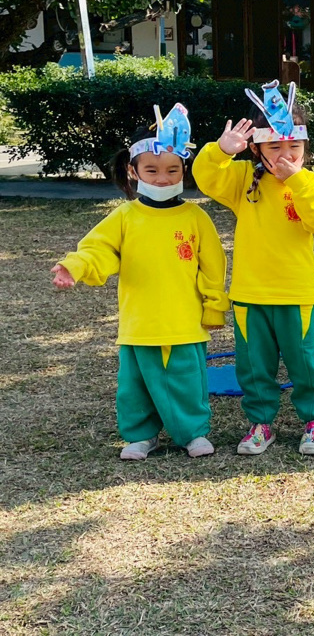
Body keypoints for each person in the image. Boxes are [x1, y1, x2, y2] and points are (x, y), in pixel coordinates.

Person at [51, 105, 229, 460]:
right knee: (134, 386)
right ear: (133, 171)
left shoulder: (196, 217)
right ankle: (141, 435)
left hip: (185, 322)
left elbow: (213, 266)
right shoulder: (124, 216)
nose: (162, 178)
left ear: (183, 170)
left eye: (172, 170)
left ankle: (193, 433)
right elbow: (98, 249)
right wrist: (75, 266)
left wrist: (214, 306)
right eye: (152, 170)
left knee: (188, 382)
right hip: (139, 322)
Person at [193, 81, 314, 456]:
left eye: (294, 146)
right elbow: (206, 178)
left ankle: (313, 422)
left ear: (305, 146)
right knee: (254, 367)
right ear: (257, 148)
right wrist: (220, 152)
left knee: (304, 364)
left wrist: (297, 180)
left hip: (295, 294)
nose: (285, 155)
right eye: (274, 147)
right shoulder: (244, 179)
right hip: (249, 295)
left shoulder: (311, 183)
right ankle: (260, 424)